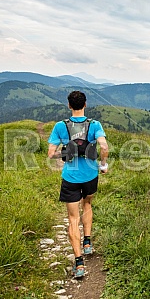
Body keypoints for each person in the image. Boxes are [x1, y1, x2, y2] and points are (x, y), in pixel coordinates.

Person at [47, 91, 109, 278]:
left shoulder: (60, 126)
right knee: (87, 204)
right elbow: (104, 147)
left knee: (73, 218)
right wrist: (103, 164)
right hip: (90, 175)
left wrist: (64, 154)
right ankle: (88, 243)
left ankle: (79, 264)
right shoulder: (94, 125)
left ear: (69, 105)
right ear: (85, 104)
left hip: (71, 178)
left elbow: (51, 154)